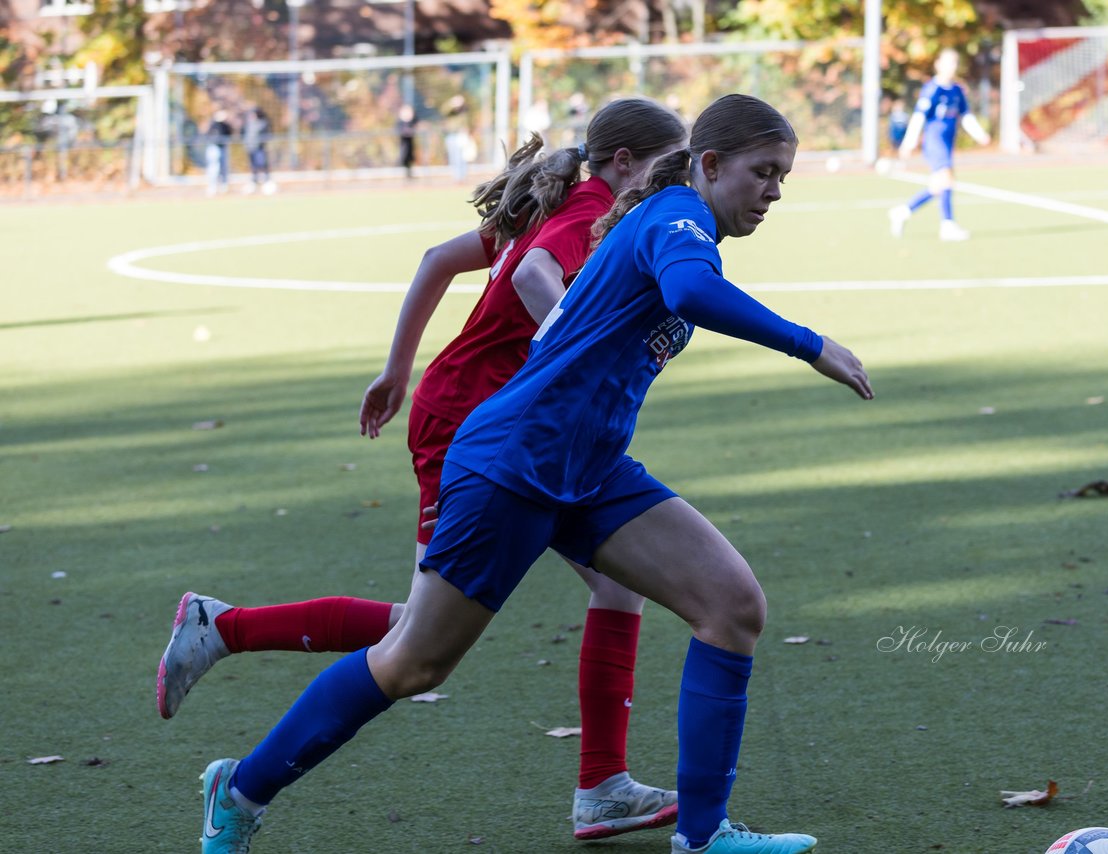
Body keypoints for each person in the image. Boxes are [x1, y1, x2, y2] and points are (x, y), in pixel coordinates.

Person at [191, 93, 871, 854]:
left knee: (733, 606)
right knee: (415, 660)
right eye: (764, 173)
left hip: (589, 466)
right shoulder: (680, 220)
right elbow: (686, 292)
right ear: (709, 166)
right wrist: (809, 343)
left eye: (783, 176)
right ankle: (241, 789)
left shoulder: (672, 219)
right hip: (516, 462)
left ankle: (703, 836)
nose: (775, 191)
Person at [160, 97, 691, 847]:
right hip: (477, 429)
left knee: (614, 584)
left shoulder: (573, 201)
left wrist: (396, 369)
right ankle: (226, 636)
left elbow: (437, 260)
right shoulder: (589, 210)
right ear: (627, 163)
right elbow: (540, 275)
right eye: (672, 164)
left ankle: (602, 786)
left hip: (521, 430)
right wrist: (576, 341)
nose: (681, 182)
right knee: (417, 643)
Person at [888, 48, 991, 241]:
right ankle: (947, 225)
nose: (951, 67)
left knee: (939, 185)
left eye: (954, 63)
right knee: (946, 178)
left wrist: (979, 134)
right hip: (935, 141)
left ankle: (903, 211)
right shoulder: (932, 89)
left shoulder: (956, 90)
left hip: (948, 142)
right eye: (947, 62)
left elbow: (965, 115)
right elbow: (919, 116)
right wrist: (909, 142)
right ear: (938, 65)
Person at [242, 105, 276, 195]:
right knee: (253, 166)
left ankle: (267, 181)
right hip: (250, 148)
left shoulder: (263, 123)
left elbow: (268, 134)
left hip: (259, 148)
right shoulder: (249, 123)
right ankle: (254, 181)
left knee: (262, 164)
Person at [204, 109, 233, 196]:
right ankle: (212, 186)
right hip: (214, 147)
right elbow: (208, 134)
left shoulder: (225, 125)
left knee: (224, 168)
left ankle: (224, 185)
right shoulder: (213, 124)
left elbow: (230, 132)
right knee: (213, 168)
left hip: (223, 147)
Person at [396, 104, 417, 179]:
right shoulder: (400, 122)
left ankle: (409, 173)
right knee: (404, 157)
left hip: (410, 143)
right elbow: (399, 129)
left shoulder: (412, 121)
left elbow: (416, 124)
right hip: (404, 144)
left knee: (410, 158)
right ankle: (406, 173)